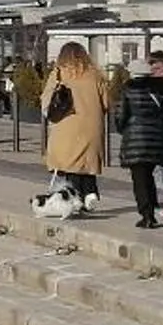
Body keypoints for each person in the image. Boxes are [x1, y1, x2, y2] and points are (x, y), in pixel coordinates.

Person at [116, 49, 163, 229]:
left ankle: (147, 215)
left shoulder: (128, 89)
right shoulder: (162, 91)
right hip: (156, 139)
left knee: (139, 178)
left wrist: (124, 129)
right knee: (149, 175)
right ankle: (151, 209)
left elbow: (120, 116)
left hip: (135, 140)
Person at [39, 41, 109, 217]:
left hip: (66, 126)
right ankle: (90, 193)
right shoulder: (96, 75)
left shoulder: (59, 74)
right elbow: (107, 103)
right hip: (92, 127)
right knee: (86, 163)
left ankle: (75, 200)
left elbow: (46, 102)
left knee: (69, 166)